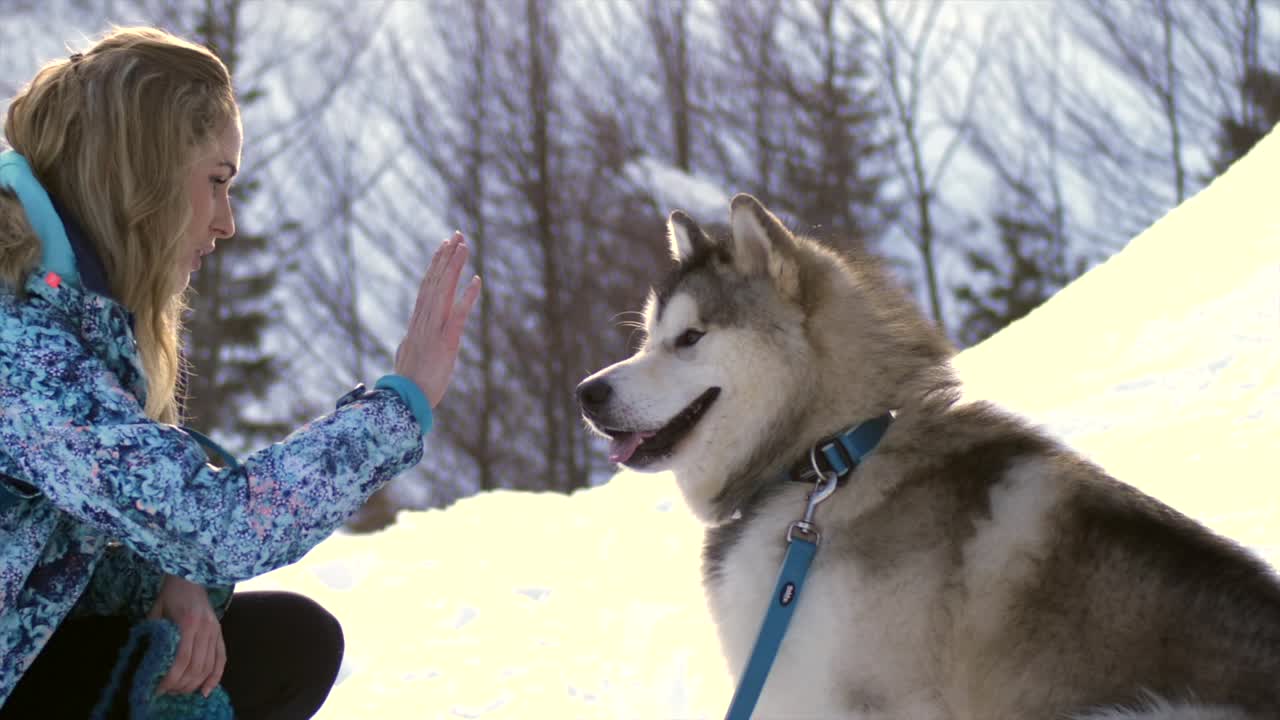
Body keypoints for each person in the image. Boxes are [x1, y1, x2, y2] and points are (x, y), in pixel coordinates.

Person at [0, 26, 481, 719]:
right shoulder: (21, 345)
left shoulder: (65, 313)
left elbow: (56, 555)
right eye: (217, 183)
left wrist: (173, 569)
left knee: (283, 644)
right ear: (147, 176)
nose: (226, 222)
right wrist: (401, 403)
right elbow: (218, 523)